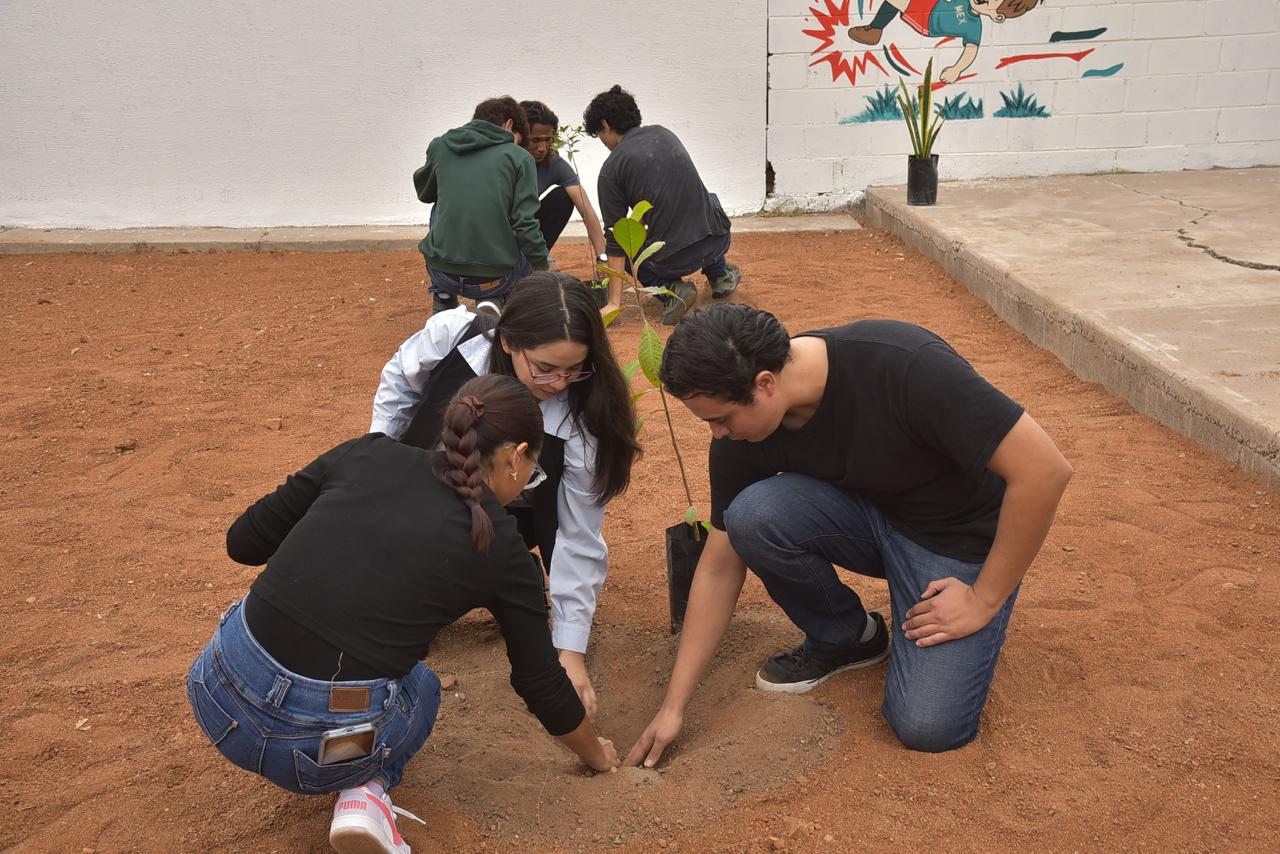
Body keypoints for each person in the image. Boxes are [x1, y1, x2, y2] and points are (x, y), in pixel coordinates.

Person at [187, 375, 619, 854]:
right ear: (518, 456)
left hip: (215, 693)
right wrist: (597, 754)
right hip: (313, 753)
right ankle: (365, 791)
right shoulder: (501, 547)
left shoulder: (365, 453)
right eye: (532, 470)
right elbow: (540, 683)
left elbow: (242, 542)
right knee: (421, 687)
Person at [626, 303, 1072, 766]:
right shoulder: (744, 436)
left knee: (927, 726)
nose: (717, 434)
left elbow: (1045, 471)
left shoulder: (901, 363)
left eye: (720, 419)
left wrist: (984, 598)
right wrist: (673, 707)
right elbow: (719, 567)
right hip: (871, 518)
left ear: (765, 383)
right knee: (751, 515)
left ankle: (954, 603)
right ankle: (846, 637)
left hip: (954, 538)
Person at [371, 272, 640, 720]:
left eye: (575, 368)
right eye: (546, 367)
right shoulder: (452, 339)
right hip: (432, 488)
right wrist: (379, 452)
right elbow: (399, 378)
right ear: (510, 342)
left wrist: (569, 651)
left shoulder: (581, 418)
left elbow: (577, 533)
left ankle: (511, 566)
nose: (559, 382)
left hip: (519, 517)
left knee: (492, 541)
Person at [582, 85, 741, 325]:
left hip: (672, 260)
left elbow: (616, 239)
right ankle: (720, 275)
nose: (603, 141)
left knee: (626, 247)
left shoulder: (611, 169)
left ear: (605, 125)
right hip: (717, 239)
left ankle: (672, 290)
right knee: (709, 198)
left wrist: (614, 304)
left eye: (600, 134)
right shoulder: (663, 133)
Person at [413, 96, 549, 315]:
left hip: (442, 271)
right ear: (509, 125)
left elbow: (424, 193)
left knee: (441, 204)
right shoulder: (520, 158)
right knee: (523, 238)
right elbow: (525, 224)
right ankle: (493, 300)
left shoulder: (440, 146)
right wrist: (543, 266)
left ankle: (443, 294)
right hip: (493, 279)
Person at [849, 0, 1043, 84]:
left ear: (997, 16)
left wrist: (956, 69)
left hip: (927, 21)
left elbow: (971, 49)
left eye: (991, 2)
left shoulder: (973, 26)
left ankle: (874, 30)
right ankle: (874, 30)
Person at [518, 99, 608, 261]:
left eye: (548, 139)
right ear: (519, 137)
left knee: (563, 197)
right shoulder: (504, 163)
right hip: (496, 233)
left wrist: (603, 257)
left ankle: (533, 261)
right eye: (535, 140)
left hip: (525, 229)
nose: (542, 148)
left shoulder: (553, 162)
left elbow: (586, 208)